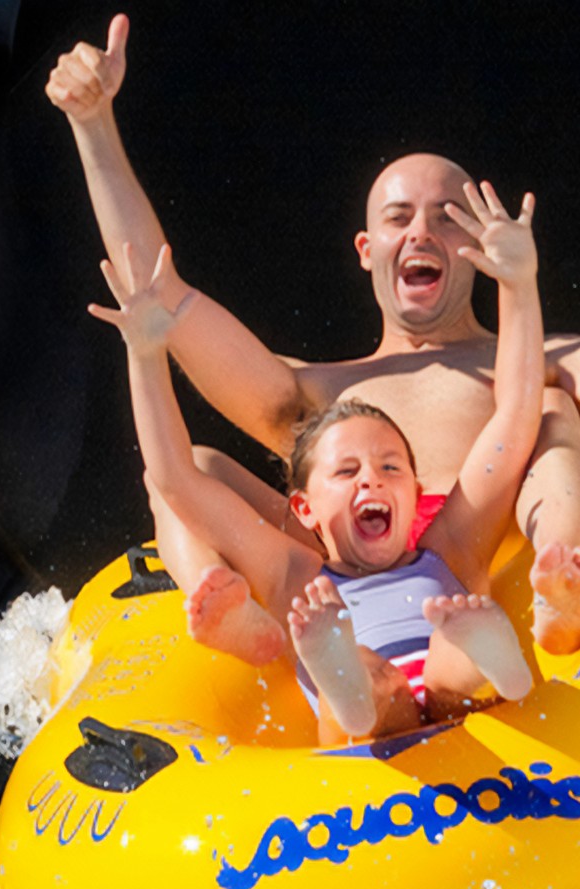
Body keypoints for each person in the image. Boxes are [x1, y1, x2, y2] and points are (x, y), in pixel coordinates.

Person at [46, 14, 580, 661]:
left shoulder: (546, 358)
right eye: (398, 219)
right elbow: (158, 291)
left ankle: (565, 575)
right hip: (336, 578)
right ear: (368, 249)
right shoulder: (309, 393)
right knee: (195, 466)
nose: (420, 234)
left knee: (552, 409)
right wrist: (94, 124)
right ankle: (234, 618)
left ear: (478, 245)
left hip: (483, 539)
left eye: (446, 219)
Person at [91, 178, 543, 743]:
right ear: (302, 508)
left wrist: (519, 286)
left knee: (451, 653)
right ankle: (349, 683)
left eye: (390, 468)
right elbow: (176, 478)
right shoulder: (295, 578)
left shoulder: (451, 547)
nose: (371, 479)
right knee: (374, 678)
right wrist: (145, 355)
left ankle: (485, 658)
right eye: (347, 472)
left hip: (457, 698)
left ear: (415, 490)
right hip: (366, 719)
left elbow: (517, 415)